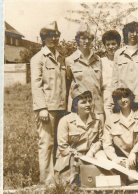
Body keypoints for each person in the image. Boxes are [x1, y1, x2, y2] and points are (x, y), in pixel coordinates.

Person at [30, 21, 67, 185]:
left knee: (60, 143)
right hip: (47, 109)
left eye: (56, 35)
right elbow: (36, 86)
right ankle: (46, 180)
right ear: (43, 38)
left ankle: (59, 176)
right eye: (50, 36)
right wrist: (42, 108)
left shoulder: (61, 58)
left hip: (61, 108)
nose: (54, 38)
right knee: (46, 143)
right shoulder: (38, 59)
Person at [54, 84, 105, 186]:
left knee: (103, 159)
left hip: (90, 156)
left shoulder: (97, 120)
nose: (88, 104)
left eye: (90, 101)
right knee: (72, 185)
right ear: (75, 105)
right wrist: (81, 157)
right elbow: (63, 148)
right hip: (70, 160)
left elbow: (100, 140)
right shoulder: (65, 121)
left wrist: (92, 151)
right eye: (83, 102)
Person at [102, 88, 138, 183]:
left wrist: (134, 152)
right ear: (116, 101)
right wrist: (115, 158)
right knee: (130, 178)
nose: (123, 100)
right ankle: (132, 175)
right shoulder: (110, 119)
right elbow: (107, 143)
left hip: (137, 156)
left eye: (125, 97)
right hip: (121, 159)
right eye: (119, 98)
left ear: (131, 98)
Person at [111, 16, 138, 115]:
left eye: (137, 31)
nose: (134, 34)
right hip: (123, 100)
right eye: (131, 31)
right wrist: (113, 101)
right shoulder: (118, 54)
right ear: (126, 32)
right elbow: (115, 80)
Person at [65, 23, 105, 126]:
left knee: (99, 136)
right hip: (79, 108)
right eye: (83, 38)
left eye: (89, 38)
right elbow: (68, 86)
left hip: (97, 107)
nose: (86, 41)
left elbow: (100, 84)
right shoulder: (70, 60)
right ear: (77, 39)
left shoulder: (98, 60)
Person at [101, 30, 121, 117]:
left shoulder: (124, 61)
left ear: (119, 44)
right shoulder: (100, 62)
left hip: (121, 97)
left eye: (113, 44)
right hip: (106, 98)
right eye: (108, 44)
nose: (111, 47)